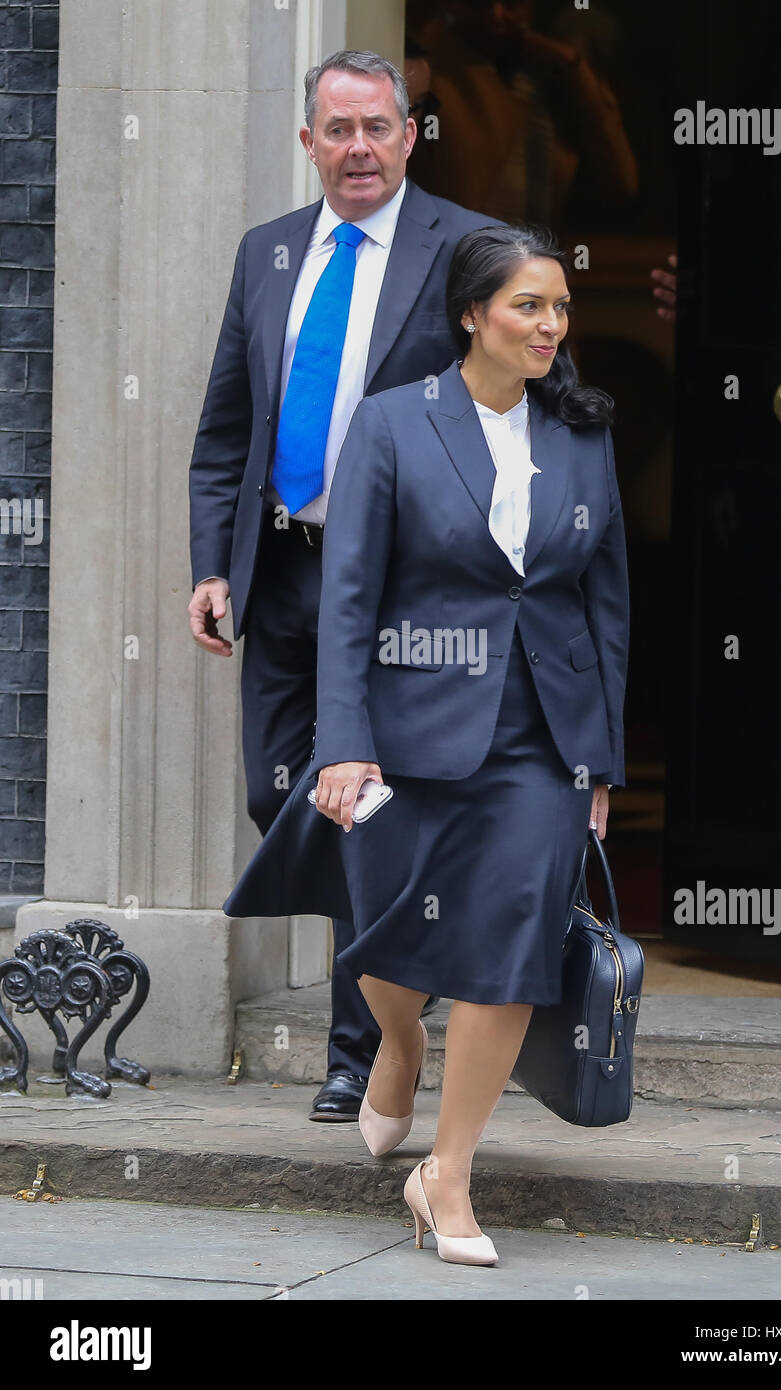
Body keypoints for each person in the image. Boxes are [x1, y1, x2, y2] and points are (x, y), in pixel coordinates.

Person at [187, 51, 504, 1122]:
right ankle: (388, 1014)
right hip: (279, 573)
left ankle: (362, 1045)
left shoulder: (462, 247)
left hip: (397, 586)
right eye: (338, 130)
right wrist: (213, 563)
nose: (358, 148)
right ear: (308, 141)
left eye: (377, 128)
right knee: (277, 795)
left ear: (410, 135)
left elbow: (499, 411)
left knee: (359, 802)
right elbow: (227, 427)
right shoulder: (267, 253)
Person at [309, 224, 629, 1264]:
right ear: (470, 314)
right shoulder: (393, 425)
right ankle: (398, 1044)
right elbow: (347, 598)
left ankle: (448, 1174)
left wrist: (601, 757)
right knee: (384, 922)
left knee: (507, 950)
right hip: (408, 729)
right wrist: (342, 741)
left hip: (543, 733)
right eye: (526, 306)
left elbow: (604, 603)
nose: (548, 326)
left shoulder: (581, 433)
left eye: (559, 309)